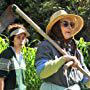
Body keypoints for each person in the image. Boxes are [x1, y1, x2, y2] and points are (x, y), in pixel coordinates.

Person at [35, 10, 90, 90]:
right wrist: (63, 60)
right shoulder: (46, 46)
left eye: (72, 24)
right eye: (65, 24)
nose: (69, 27)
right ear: (56, 27)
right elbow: (41, 72)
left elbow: (85, 79)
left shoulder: (75, 51)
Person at [0, 23, 30, 90]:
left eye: (23, 38)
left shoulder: (22, 56)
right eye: (18, 37)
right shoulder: (6, 54)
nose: (21, 40)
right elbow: (1, 78)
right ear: (12, 39)